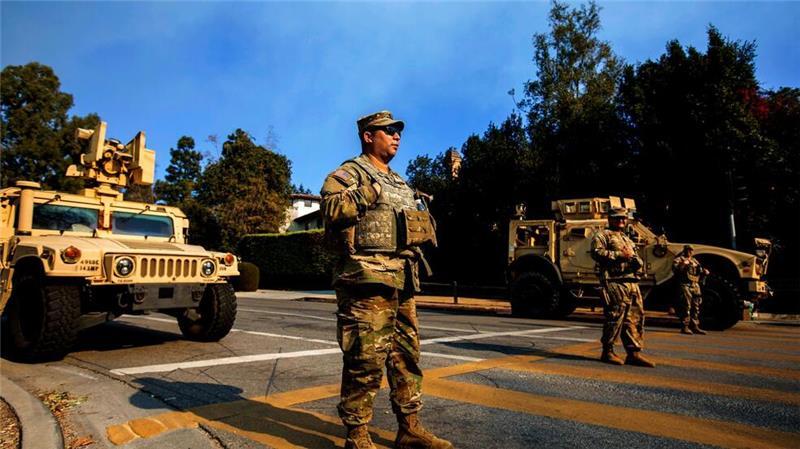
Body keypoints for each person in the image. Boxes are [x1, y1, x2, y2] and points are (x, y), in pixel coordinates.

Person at [320, 110, 452, 449]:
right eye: (388, 131)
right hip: (367, 280)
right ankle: (357, 435)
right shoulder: (349, 173)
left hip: (403, 279)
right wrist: (367, 192)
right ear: (368, 136)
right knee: (365, 359)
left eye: (398, 131)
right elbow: (332, 210)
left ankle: (409, 428)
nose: (396, 136)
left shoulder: (401, 183)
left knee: (406, 358)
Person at [591, 207, 656, 368]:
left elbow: (635, 258)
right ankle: (608, 351)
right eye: (618, 217)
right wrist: (621, 255)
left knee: (635, 318)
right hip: (614, 281)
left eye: (623, 218)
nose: (621, 220)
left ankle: (633, 353)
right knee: (615, 317)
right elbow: (596, 253)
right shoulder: (602, 235)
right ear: (610, 219)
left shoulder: (627, 238)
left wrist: (637, 263)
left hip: (631, 282)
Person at [672, 245, 709, 335]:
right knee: (686, 306)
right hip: (685, 284)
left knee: (696, 306)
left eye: (691, 250)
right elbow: (675, 270)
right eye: (688, 250)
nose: (689, 252)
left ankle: (695, 325)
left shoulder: (694, 260)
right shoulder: (679, 259)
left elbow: (699, 271)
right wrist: (683, 264)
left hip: (695, 284)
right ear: (684, 251)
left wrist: (704, 272)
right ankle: (685, 326)